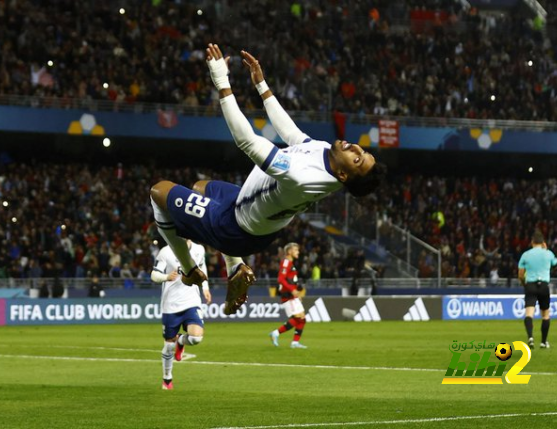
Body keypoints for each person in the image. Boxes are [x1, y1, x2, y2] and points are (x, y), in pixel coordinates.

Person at [149, 43, 386, 315]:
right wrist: (262, 86)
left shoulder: (304, 177)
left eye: (357, 159)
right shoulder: (327, 157)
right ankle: (234, 266)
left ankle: (190, 269)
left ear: (344, 174)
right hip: (249, 213)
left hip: (236, 227)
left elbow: (246, 141)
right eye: (362, 151)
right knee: (200, 187)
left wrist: (221, 81)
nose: (356, 148)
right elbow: (291, 132)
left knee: (159, 192)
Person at [151, 241, 212, 391]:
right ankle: (167, 378)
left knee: (196, 337)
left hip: (192, 301)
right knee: (168, 345)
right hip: (171, 304)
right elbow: (154, 274)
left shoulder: (199, 249)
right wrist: (166, 277)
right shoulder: (166, 251)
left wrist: (205, 287)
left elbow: (201, 267)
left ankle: (181, 341)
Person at [518, 230, 557, 349]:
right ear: (543, 242)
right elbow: (555, 263)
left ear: (532, 242)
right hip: (544, 286)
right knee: (545, 315)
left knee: (529, 313)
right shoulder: (548, 253)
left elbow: (520, 274)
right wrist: (546, 250)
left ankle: (530, 337)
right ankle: (543, 342)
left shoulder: (525, 255)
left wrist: (524, 284)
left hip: (530, 285)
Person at [269, 243, 307, 349]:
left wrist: (296, 291)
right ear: (289, 251)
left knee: (302, 319)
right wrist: (293, 290)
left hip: (292, 295)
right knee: (299, 318)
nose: (298, 252)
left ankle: (294, 343)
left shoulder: (290, 263)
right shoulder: (286, 262)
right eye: (296, 250)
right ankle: (276, 333)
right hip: (288, 296)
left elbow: (290, 280)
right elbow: (280, 279)